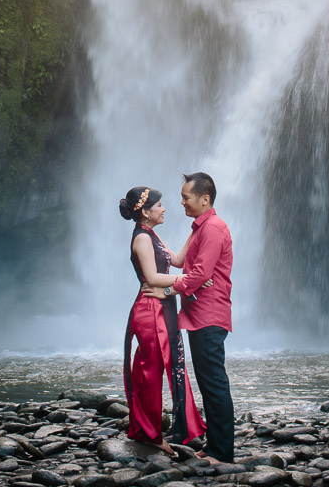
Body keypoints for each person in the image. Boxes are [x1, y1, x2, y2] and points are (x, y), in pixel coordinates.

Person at [141, 172, 234, 464]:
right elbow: (182, 263)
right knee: (208, 382)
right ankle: (214, 443)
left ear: (204, 199)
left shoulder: (214, 229)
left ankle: (222, 452)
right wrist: (149, 235)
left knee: (215, 382)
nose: (180, 202)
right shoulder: (200, 227)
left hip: (210, 315)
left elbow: (201, 275)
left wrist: (167, 289)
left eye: (185, 197)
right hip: (197, 314)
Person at [120, 185, 206, 455]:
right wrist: (193, 282)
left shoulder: (152, 234)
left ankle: (149, 430)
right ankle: (150, 434)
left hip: (163, 306)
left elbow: (178, 260)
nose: (164, 208)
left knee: (158, 368)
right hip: (150, 310)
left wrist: (197, 229)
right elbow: (153, 279)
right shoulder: (142, 239)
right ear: (145, 212)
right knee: (150, 372)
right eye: (159, 205)